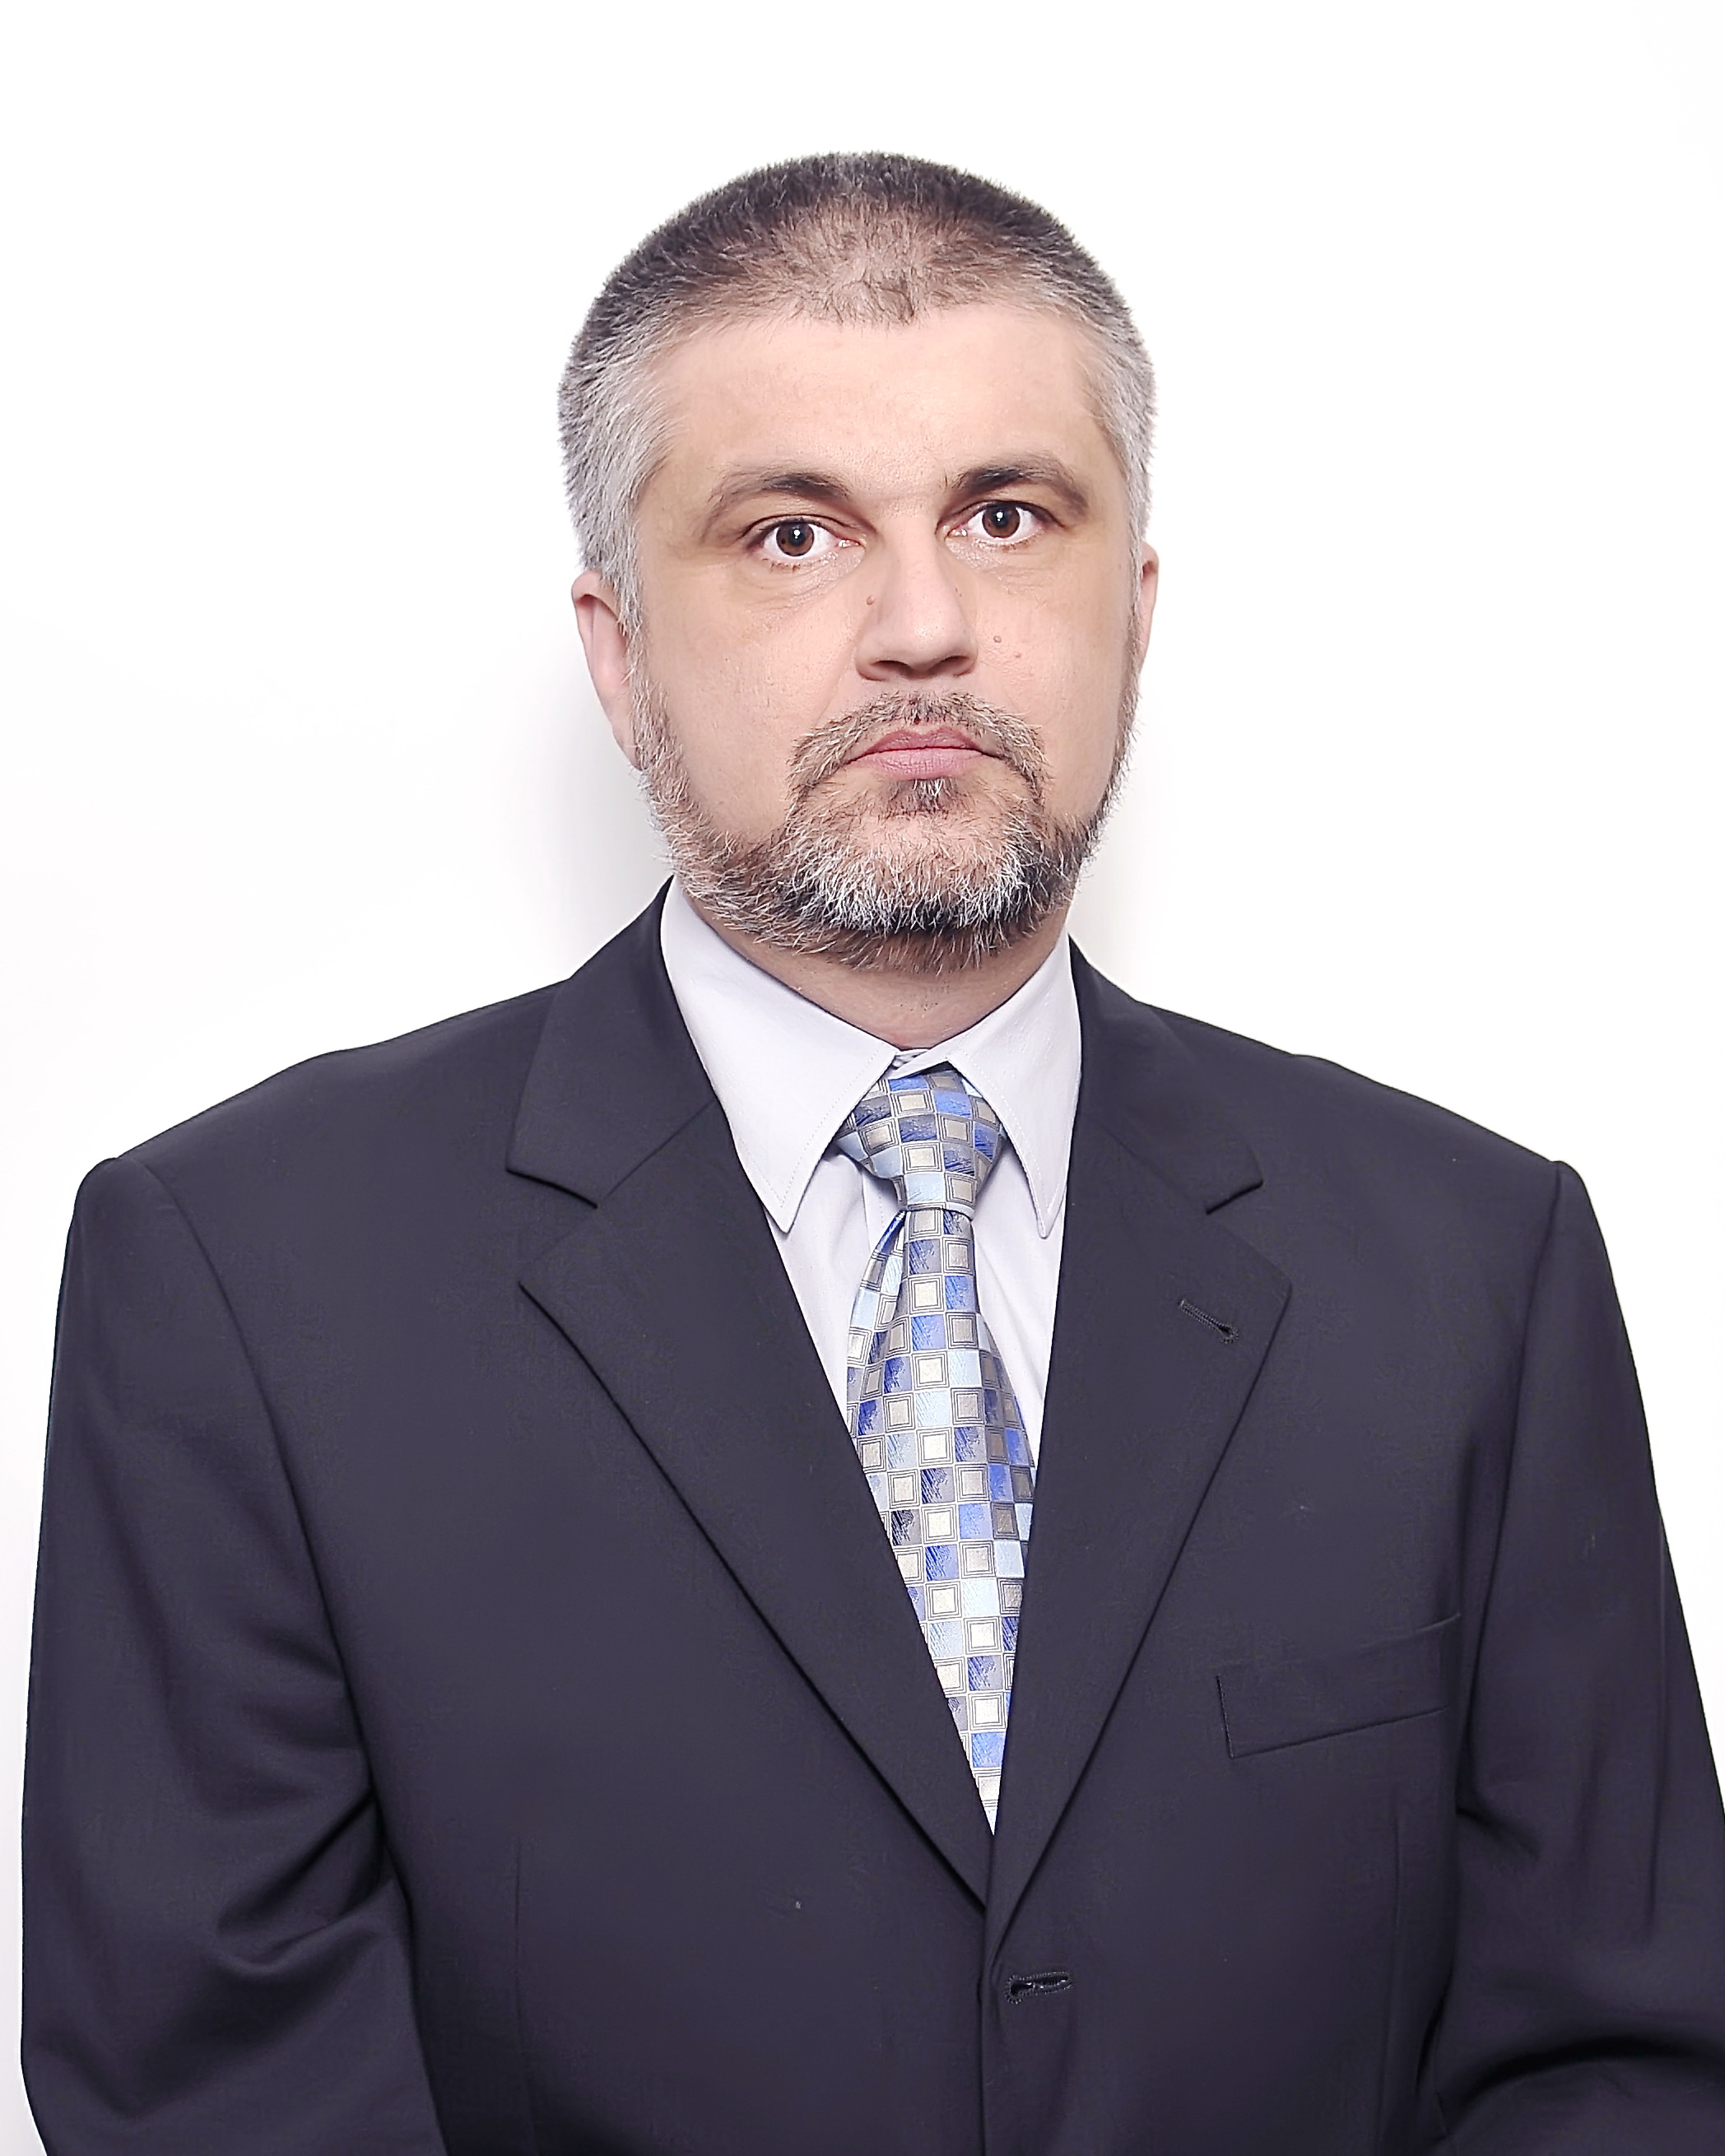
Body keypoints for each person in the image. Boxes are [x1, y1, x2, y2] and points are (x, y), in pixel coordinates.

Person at [21, 151, 1725, 2156]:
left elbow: (1622, 2059)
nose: (925, 625)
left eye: (1007, 517)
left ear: (1134, 611)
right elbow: (216, 2091)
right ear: (619, 650)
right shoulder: (241, 1277)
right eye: (791, 533)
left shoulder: (1471, 1263)